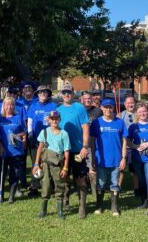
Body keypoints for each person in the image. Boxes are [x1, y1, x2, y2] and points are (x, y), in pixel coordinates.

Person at [56, 84, 90, 218]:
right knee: (64, 176)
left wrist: (85, 146)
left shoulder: (79, 108)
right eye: (64, 92)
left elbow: (86, 128)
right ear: (61, 94)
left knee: (80, 178)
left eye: (68, 92)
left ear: (73, 93)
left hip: (77, 150)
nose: (66, 95)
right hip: (63, 150)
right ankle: (66, 200)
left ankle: (82, 206)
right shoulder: (58, 110)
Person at [90, 99, 127, 217]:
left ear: (113, 108)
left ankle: (114, 206)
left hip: (116, 159)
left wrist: (124, 158)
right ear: (101, 108)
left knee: (114, 183)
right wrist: (92, 158)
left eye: (110, 107)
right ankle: (99, 205)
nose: (108, 109)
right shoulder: (96, 123)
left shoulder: (120, 122)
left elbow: (124, 141)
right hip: (101, 159)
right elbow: (92, 141)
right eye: (105, 107)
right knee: (100, 183)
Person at [32, 110, 70, 219]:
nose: (54, 120)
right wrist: (36, 164)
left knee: (59, 186)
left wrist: (65, 167)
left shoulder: (64, 134)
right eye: (52, 119)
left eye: (56, 118)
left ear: (59, 120)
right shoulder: (44, 132)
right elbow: (39, 149)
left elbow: (66, 152)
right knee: (45, 186)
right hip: (45, 164)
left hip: (58, 165)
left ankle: (60, 212)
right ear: (48, 120)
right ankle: (43, 211)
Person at [27, 85, 58, 196]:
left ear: (48, 94)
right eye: (40, 92)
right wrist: (30, 134)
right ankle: (34, 186)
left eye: (45, 92)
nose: (43, 94)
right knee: (36, 162)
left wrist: (50, 120)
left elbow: (57, 120)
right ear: (37, 94)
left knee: (50, 162)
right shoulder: (33, 106)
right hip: (35, 139)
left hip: (50, 139)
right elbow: (29, 122)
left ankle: (52, 187)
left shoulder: (53, 105)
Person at [0, 97, 27, 203]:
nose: (9, 107)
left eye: (12, 105)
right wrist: (0, 145)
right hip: (3, 150)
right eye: (7, 105)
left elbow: (24, 131)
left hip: (16, 150)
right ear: (3, 106)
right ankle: (1, 194)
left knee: (15, 173)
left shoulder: (18, 117)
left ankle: (12, 196)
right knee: (1, 174)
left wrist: (18, 135)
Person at [80, 91, 102, 196]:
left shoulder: (98, 111)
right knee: (80, 165)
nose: (87, 100)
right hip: (80, 143)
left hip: (93, 143)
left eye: (89, 98)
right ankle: (83, 187)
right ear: (81, 100)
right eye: (85, 98)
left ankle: (93, 188)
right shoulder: (78, 110)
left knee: (92, 166)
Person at [118, 96, 139, 195]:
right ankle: (118, 187)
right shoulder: (120, 115)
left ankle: (136, 188)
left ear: (135, 103)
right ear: (125, 104)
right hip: (123, 147)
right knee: (121, 168)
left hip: (135, 146)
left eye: (132, 103)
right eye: (128, 103)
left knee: (134, 169)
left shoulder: (139, 114)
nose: (130, 105)